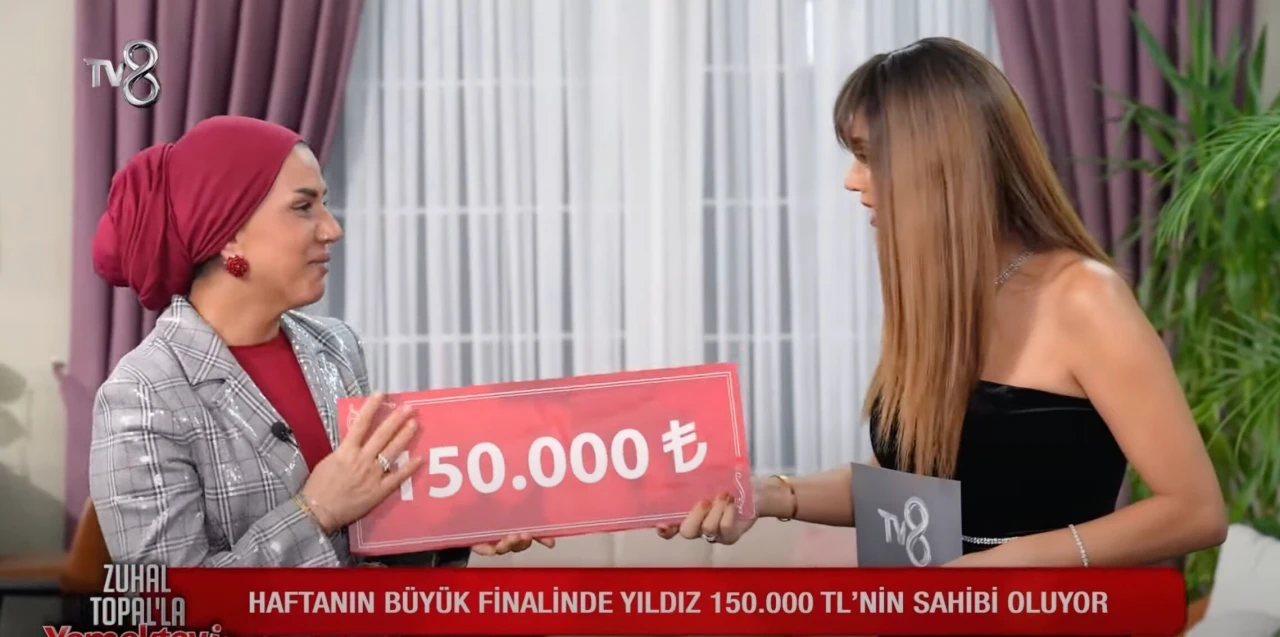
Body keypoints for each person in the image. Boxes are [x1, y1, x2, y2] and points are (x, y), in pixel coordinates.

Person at [660, 37, 1227, 572]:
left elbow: (1194, 511)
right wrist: (767, 494)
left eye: (867, 157)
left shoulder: (1084, 297)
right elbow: (906, 488)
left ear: (941, 165)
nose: (852, 181)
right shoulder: (939, 301)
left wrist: (992, 571)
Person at [88, 115, 552, 567]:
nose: (333, 228)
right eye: (303, 206)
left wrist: (454, 525)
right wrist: (317, 512)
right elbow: (166, 601)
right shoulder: (141, 395)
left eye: (324, 204)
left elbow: (368, 543)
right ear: (228, 234)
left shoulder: (336, 347)